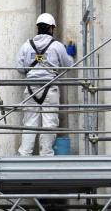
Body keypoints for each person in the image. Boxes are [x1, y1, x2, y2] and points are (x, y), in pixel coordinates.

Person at [16, 13, 74, 156]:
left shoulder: (26, 46)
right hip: (50, 89)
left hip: (30, 89)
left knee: (29, 123)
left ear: (38, 28)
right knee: (49, 122)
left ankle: (24, 154)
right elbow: (69, 65)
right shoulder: (57, 46)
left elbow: (20, 68)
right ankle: (46, 154)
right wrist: (70, 53)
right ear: (51, 28)